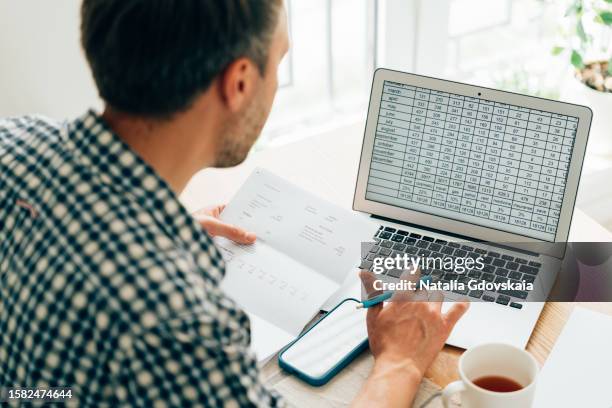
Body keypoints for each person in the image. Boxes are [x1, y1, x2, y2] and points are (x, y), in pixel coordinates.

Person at [0, 1, 468, 406]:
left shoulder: (12, 141)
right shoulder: (178, 324)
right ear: (239, 81)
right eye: (279, 58)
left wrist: (154, 230)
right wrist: (401, 364)